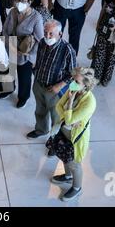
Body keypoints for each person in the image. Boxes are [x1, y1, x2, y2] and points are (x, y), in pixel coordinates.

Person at [49, 67, 97, 202]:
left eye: (76, 81)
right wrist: (68, 115)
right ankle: (67, 176)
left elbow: (69, 119)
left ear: (86, 85)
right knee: (65, 156)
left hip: (76, 138)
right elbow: (58, 106)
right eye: (73, 80)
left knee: (74, 164)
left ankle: (77, 188)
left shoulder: (90, 102)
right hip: (64, 130)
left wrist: (69, 102)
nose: (72, 83)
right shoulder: (73, 89)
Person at [26, 20, 76, 148]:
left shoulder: (67, 50)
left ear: (60, 33)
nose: (47, 36)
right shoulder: (42, 42)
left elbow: (73, 74)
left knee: (56, 118)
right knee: (40, 111)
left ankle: (56, 142)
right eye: (45, 33)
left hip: (54, 90)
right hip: (39, 84)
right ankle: (41, 130)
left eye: (51, 34)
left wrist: (59, 86)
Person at [2, 0, 44, 108]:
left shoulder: (36, 18)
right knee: (8, 71)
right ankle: (8, 89)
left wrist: (32, 57)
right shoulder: (12, 12)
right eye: (18, 0)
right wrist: (7, 43)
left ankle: (23, 97)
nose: (20, 3)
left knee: (24, 77)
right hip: (10, 47)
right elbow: (5, 29)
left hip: (25, 52)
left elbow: (39, 40)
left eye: (24, 1)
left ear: (29, 2)